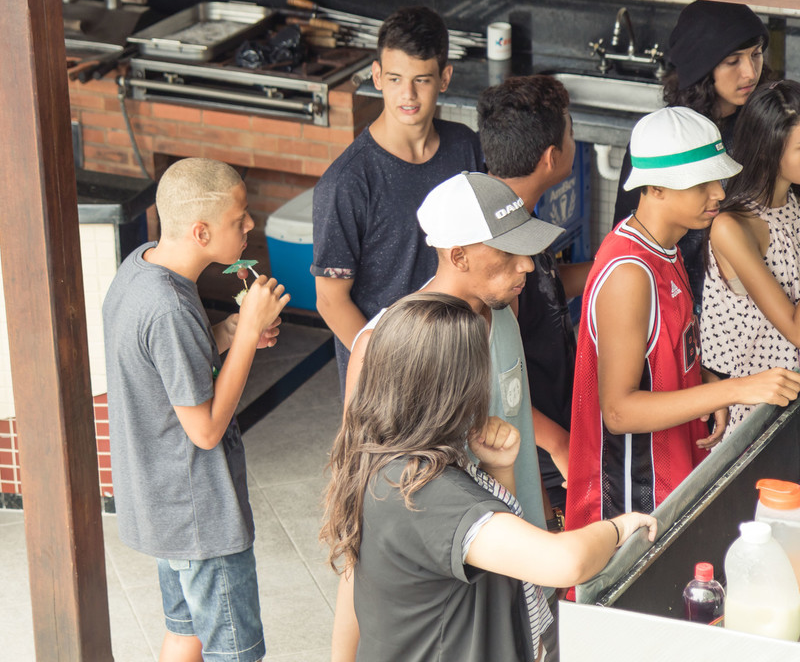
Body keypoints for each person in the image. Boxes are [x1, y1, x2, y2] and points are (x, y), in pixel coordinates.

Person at [320, 293, 657, 662]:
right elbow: (565, 563)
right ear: (457, 393)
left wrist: (498, 471)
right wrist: (619, 528)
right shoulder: (427, 491)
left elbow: (493, 560)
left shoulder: (384, 462)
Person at [330, 171, 564, 661]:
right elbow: (360, 508)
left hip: (525, 575)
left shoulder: (503, 310)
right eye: (508, 251)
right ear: (458, 255)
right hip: (451, 618)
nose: (527, 265)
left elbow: (514, 426)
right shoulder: (383, 347)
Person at [566, 107, 800, 530]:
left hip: (672, 476)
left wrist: (708, 384)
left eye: (718, 178)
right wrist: (735, 389)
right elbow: (618, 411)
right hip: (631, 499)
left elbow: (665, 360)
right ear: (655, 187)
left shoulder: (666, 248)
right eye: (701, 183)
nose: (717, 193)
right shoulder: (629, 272)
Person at [101, 157, 288, 662]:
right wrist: (247, 333)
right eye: (239, 218)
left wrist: (227, 333)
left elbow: (165, 367)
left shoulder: (141, 266)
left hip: (163, 502)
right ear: (201, 231)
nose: (251, 224)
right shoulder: (170, 307)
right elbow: (204, 430)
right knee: (234, 653)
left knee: (185, 634)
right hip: (198, 513)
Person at [312, 5, 483, 392]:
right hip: (385, 380)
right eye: (394, 78)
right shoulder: (347, 182)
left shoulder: (465, 148)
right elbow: (330, 299)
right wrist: (393, 368)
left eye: (421, 79)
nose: (407, 94)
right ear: (377, 77)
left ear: (445, 78)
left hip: (459, 360)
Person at [478, 75, 590, 511]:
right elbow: (491, 376)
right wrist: (559, 443)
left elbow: (544, 285)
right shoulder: (497, 245)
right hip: (531, 452)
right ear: (551, 157)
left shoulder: (515, 215)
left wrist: (609, 267)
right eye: (572, 134)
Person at [612, 0, 769, 300]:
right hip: (678, 299)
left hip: (755, 301)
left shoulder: (767, 127)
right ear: (702, 66)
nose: (750, 72)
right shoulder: (664, 140)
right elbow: (630, 237)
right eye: (733, 61)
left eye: (756, 54)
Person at [702, 81, 800, 435]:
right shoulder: (733, 226)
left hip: (788, 401)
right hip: (750, 414)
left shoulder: (792, 205)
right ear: (768, 152)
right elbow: (796, 329)